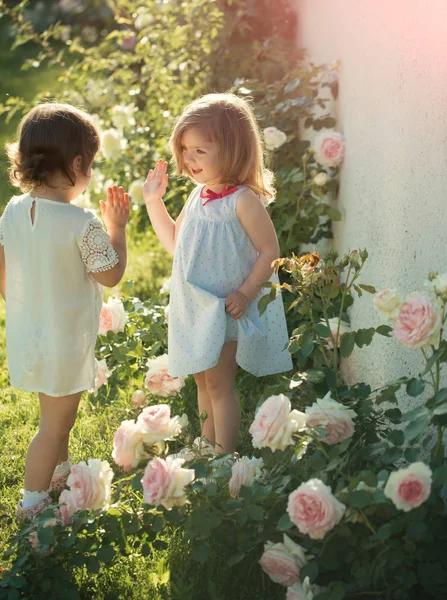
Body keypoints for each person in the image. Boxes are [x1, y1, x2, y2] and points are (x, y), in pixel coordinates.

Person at [0, 103, 130, 520]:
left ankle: (59, 475)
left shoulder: (12, 211)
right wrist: (118, 230)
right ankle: (32, 505)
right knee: (54, 425)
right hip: (63, 340)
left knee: (55, 416)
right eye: (89, 165)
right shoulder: (82, 222)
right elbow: (110, 275)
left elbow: (4, 273)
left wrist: (23, 304)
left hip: (29, 335)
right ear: (77, 163)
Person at [143, 93, 292, 457]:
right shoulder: (198, 196)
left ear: (232, 150)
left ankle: (224, 454)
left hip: (225, 309)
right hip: (195, 307)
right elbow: (175, 242)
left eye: (200, 151)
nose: (189, 159)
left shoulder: (243, 201)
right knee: (201, 379)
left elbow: (270, 251)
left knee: (219, 382)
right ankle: (207, 444)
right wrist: (153, 201)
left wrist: (244, 292)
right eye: (185, 150)